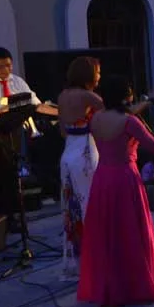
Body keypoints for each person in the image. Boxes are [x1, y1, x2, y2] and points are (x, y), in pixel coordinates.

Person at [78, 75, 154, 307]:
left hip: (103, 178)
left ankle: (112, 286)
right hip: (125, 179)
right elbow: (153, 145)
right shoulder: (129, 122)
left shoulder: (95, 119)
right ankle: (135, 285)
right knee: (130, 233)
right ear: (126, 96)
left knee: (110, 234)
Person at [56, 57, 103, 279]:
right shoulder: (88, 96)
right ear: (88, 75)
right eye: (97, 72)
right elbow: (114, 117)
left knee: (72, 207)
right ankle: (96, 260)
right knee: (90, 205)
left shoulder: (62, 96)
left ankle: (79, 260)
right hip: (85, 151)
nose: (99, 77)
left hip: (68, 153)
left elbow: (63, 131)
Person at [0, 47, 40, 222]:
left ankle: (14, 215)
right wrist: (6, 107)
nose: (5, 70)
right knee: (1, 173)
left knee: (13, 172)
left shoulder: (17, 81)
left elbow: (35, 102)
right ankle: (3, 216)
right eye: (0, 66)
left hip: (14, 131)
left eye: (8, 65)